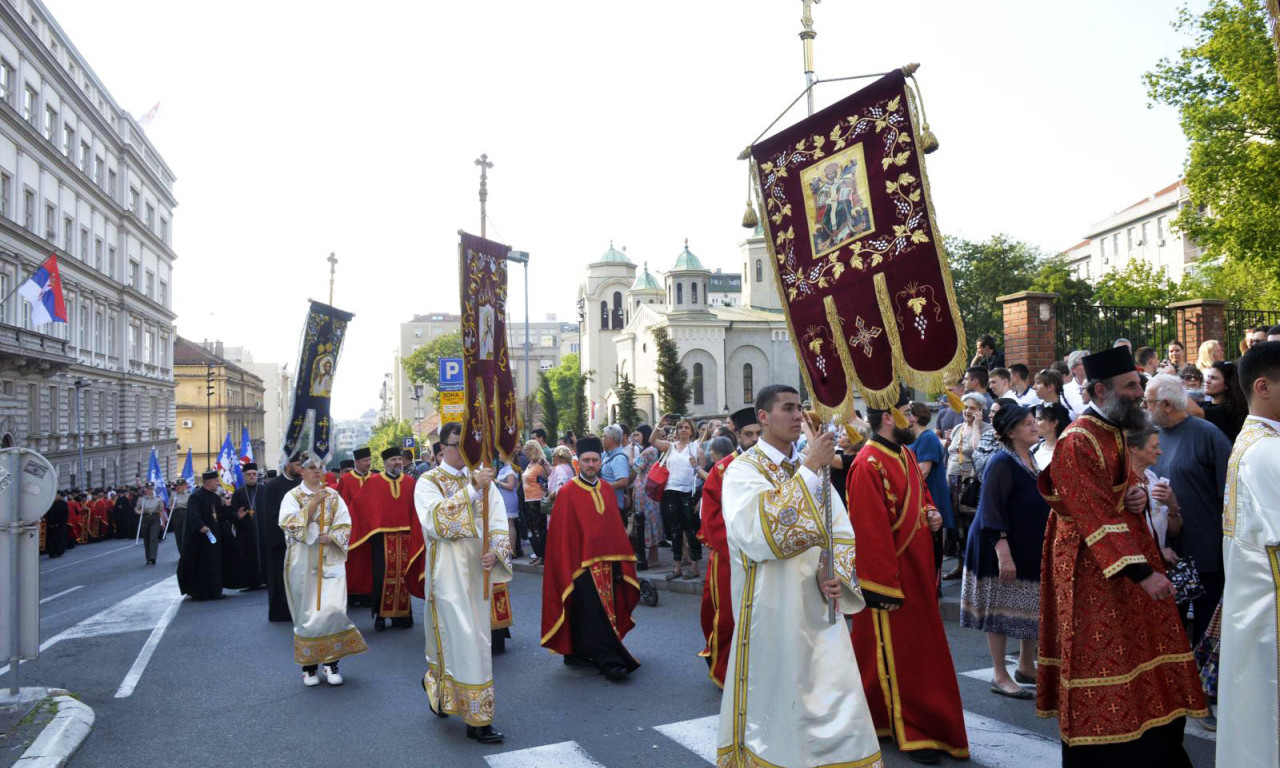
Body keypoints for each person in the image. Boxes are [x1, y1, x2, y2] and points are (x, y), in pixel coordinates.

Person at [1037, 347, 1206, 765]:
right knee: (1102, 658)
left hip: (1125, 561)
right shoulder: (1078, 440)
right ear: (1100, 389)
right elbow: (1090, 510)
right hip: (1093, 569)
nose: (1139, 392)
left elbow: (1119, 487)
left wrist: (1135, 492)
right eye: (1131, 386)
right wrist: (1142, 572)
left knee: (1143, 651)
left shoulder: (1115, 429)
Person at [716, 384, 881, 768]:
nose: (797, 416)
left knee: (831, 693)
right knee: (780, 694)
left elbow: (839, 529)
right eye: (788, 408)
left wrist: (835, 572)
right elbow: (760, 534)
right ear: (763, 417)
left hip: (819, 603)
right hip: (771, 607)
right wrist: (809, 467)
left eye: (799, 407)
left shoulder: (811, 469)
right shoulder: (743, 470)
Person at [845, 385, 966, 764]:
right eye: (907, 412)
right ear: (888, 417)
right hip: (891, 581)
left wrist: (932, 516)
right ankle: (909, 728)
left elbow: (922, 500)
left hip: (916, 573)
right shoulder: (868, 463)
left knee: (920, 653)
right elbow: (868, 530)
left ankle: (894, 720)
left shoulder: (906, 455)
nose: (912, 418)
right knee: (899, 656)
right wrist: (882, 587)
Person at [411, 421, 512, 744]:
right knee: (462, 638)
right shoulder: (428, 482)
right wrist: (472, 489)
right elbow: (437, 522)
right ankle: (477, 718)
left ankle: (443, 692)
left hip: (477, 572)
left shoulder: (484, 482)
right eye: (458, 444)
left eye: (470, 444)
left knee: (478, 641)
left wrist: (496, 552)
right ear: (443, 449)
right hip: (447, 574)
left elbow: (497, 521)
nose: (466, 451)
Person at [1217, 341, 1280, 767]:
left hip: (1256, 615)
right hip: (1270, 618)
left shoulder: (1253, 442)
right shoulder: (1268, 451)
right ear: (1263, 386)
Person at [960, 402, 1050, 699]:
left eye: (1033, 421)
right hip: (997, 546)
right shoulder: (1001, 462)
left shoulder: (1029, 458)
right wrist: (1003, 553)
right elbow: (991, 510)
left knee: (1028, 606)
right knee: (998, 610)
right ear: (1011, 431)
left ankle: (1026, 665)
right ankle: (1000, 674)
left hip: (1024, 546)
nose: (1035, 426)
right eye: (1027, 423)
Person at [541, 435, 641, 682]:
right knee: (594, 612)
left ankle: (576, 652)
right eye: (586, 460)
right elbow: (562, 537)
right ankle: (611, 661)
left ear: (600, 461)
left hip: (608, 563)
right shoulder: (567, 493)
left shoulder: (606, 489)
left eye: (595, 460)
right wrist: (571, 565)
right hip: (580, 566)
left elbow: (614, 528)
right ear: (578, 462)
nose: (591, 464)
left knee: (600, 611)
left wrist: (620, 561)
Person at [1145, 372, 1232, 645]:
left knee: (1205, 629)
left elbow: (1229, 494)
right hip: (1163, 551)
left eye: (1148, 402)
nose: (1144, 408)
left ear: (1167, 405)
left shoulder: (1208, 435)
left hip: (1204, 552)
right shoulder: (1150, 437)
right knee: (1170, 630)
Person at [279, 455, 368, 687]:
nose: (317, 472)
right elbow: (288, 524)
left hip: (330, 558)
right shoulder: (292, 497)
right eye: (311, 468)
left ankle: (332, 663)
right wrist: (312, 505)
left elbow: (345, 522)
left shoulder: (334, 496)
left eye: (320, 468)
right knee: (308, 613)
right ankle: (309, 667)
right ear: (302, 472)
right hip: (303, 561)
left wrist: (333, 536)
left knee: (333, 610)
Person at [350, 448, 418, 631]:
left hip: (405, 537)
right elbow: (359, 504)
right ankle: (380, 616)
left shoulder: (410, 482)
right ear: (385, 462)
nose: (397, 462)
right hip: (381, 539)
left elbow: (416, 507)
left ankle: (402, 616)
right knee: (382, 576)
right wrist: (371, 526)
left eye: (399, 459)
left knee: (403, 576)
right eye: (393, 459)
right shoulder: (374, 482)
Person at [695, 435, 737, 689]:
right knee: (725, 614)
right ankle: (724, 665)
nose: (754, 439)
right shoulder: (722, 469)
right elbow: (712, 516)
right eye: (748, 434)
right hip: (729, 555)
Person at [943, 392, 989, 580]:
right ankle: (960, 566)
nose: (968, 411)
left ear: (980, 411)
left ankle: (973, 566)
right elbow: (950, 451)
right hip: (952, 481)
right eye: (965, 407)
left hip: (970, 483)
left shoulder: (987, 429)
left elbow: (978, 449)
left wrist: (977, 425)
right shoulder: (957, 428)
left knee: (969, 524)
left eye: (972, 408)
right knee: (955, 526)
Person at [651, 419, 702, 580]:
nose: (683, 430)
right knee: (674, 530)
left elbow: (702, 472)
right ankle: (677, 566)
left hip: (688, 492)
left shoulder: (696, 448)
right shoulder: (670, 446)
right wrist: (659, 425)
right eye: (680, 427)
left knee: (691, 529)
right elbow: (652, 440)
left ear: (692, 431)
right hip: (670, 491)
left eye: (686, 427)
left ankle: (694, 566)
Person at [1126, 426, 1182, 567]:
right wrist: (1156, 552)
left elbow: (1173, 531)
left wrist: (1172, 506)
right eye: (1154, 447)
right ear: (1134, 448)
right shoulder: (1121, 485)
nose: (1160, 452)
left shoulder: (1152, 478)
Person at [910, 401, 953, 577]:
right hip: (923, 496)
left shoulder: (927, 437)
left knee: (933, 545)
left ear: (915, 417)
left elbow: (923, 470)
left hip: (932, 496)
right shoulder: (915, 438)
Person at [261, 454, 304, 621]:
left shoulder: (301, 484)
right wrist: (287, 533)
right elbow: (270, 516)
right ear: (288, 465)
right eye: (298, 465)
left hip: (300, 540)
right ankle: (281, 612)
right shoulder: (273, 486)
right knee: (279, 579)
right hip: (280, 542)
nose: (301, 468)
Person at [336, 446, 378, 606]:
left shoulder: (376, 478)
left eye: (369, 460)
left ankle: (368, 593)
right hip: (352, 527)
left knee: (369, 562)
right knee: (353, 562)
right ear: (357, 462)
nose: (368, 463)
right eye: (365, 460)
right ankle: (352, 594)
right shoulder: (346, 480)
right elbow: (341, 504)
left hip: (371, 528)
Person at [178, 471, 224, 601]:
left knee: (215, 564)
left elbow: (220, 515)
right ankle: (202, 592)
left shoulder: (214, 497)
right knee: (202, 565)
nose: (218, 483)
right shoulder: (196, 496)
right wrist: (201, 526)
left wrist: (233, 513)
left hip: (214, 537)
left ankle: (215, 591)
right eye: (216, 481)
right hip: (200, 539)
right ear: (208, 482)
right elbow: (193, 513)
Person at [629, 426, 664, 570]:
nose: (636, 437)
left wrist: (631, 450)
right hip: (647, 490)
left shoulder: (648, 451)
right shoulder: (652, 450)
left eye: (638, 434)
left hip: (645, 492)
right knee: (651, 520)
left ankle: (652, 556)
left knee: (647, 521)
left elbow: (635, 466)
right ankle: (652, 555)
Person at [227, 464, 265, 587]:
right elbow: (232, 513)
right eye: (249, 474)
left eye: (254, 473)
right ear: (244, 476)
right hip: (246, 531)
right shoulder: (238, 493)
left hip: (262, 529)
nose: (252, 476)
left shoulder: (265, 490)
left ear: (257, 475)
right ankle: (252, 582)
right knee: (249, 555)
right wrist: (238, 516)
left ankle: (266, 580)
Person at [1201, 361, 1248, 441]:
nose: (1207, 381)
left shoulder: (1229, 410)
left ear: (1227, 384)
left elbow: (1197, 413)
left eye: (1214, 378)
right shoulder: (1204, 404)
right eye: (1208, 377)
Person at [521, 440, 550, 566]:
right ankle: (538, 553)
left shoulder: (540, 463)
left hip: (538, 499)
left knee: (539, 528)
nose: (524, 452)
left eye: (526, 450)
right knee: (533, 529)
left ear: (532, 450)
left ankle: (543, 554)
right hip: (529, 499)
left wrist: (545, 486)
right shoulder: (530, 463)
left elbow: (548, 477)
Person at [495, 460, 522, 558]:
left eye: (500, 453)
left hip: (508, 497)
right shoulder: (505, 468)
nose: (499, 456)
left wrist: (498, 482)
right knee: (506, 524)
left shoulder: (510, 469)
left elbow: (511, 486)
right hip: (504, 497)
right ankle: (507, 549)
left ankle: (511, 550)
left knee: (510, 523)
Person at [1032, 402, 1070, 467]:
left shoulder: (1065, 452)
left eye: (1039, 419)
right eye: (1035, 418)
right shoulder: (1034, 448)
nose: (1035, 423)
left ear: (1054, 423)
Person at [138, 484, 165, 566]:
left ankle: (153, 557)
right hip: (145, 518)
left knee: (153, 538)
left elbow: (161, 511)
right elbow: (137, 508)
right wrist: (139, 512)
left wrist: (163, 522)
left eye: (151, 489)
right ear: (145, 490)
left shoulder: (158, 499)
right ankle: (148, 558)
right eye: (148, 489)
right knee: (146, 539)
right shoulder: (141, 499)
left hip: (155, 518)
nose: (149, 490)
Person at [1062, 350, 1089, 416]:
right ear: (1073, 369)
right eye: (1084, 362)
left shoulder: (1098, 386)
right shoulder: (1064, 391)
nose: (1088, 364)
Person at [43, 491, 69, 559]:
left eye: (57, 495)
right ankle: (51, 552)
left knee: (58, 539)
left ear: (60, 496)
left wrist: (61, 523)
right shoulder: (50, 503)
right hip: (50, 524)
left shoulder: (63, 503)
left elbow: (65, 515)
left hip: (60, 525)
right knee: (51, 539)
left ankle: (58, 551)